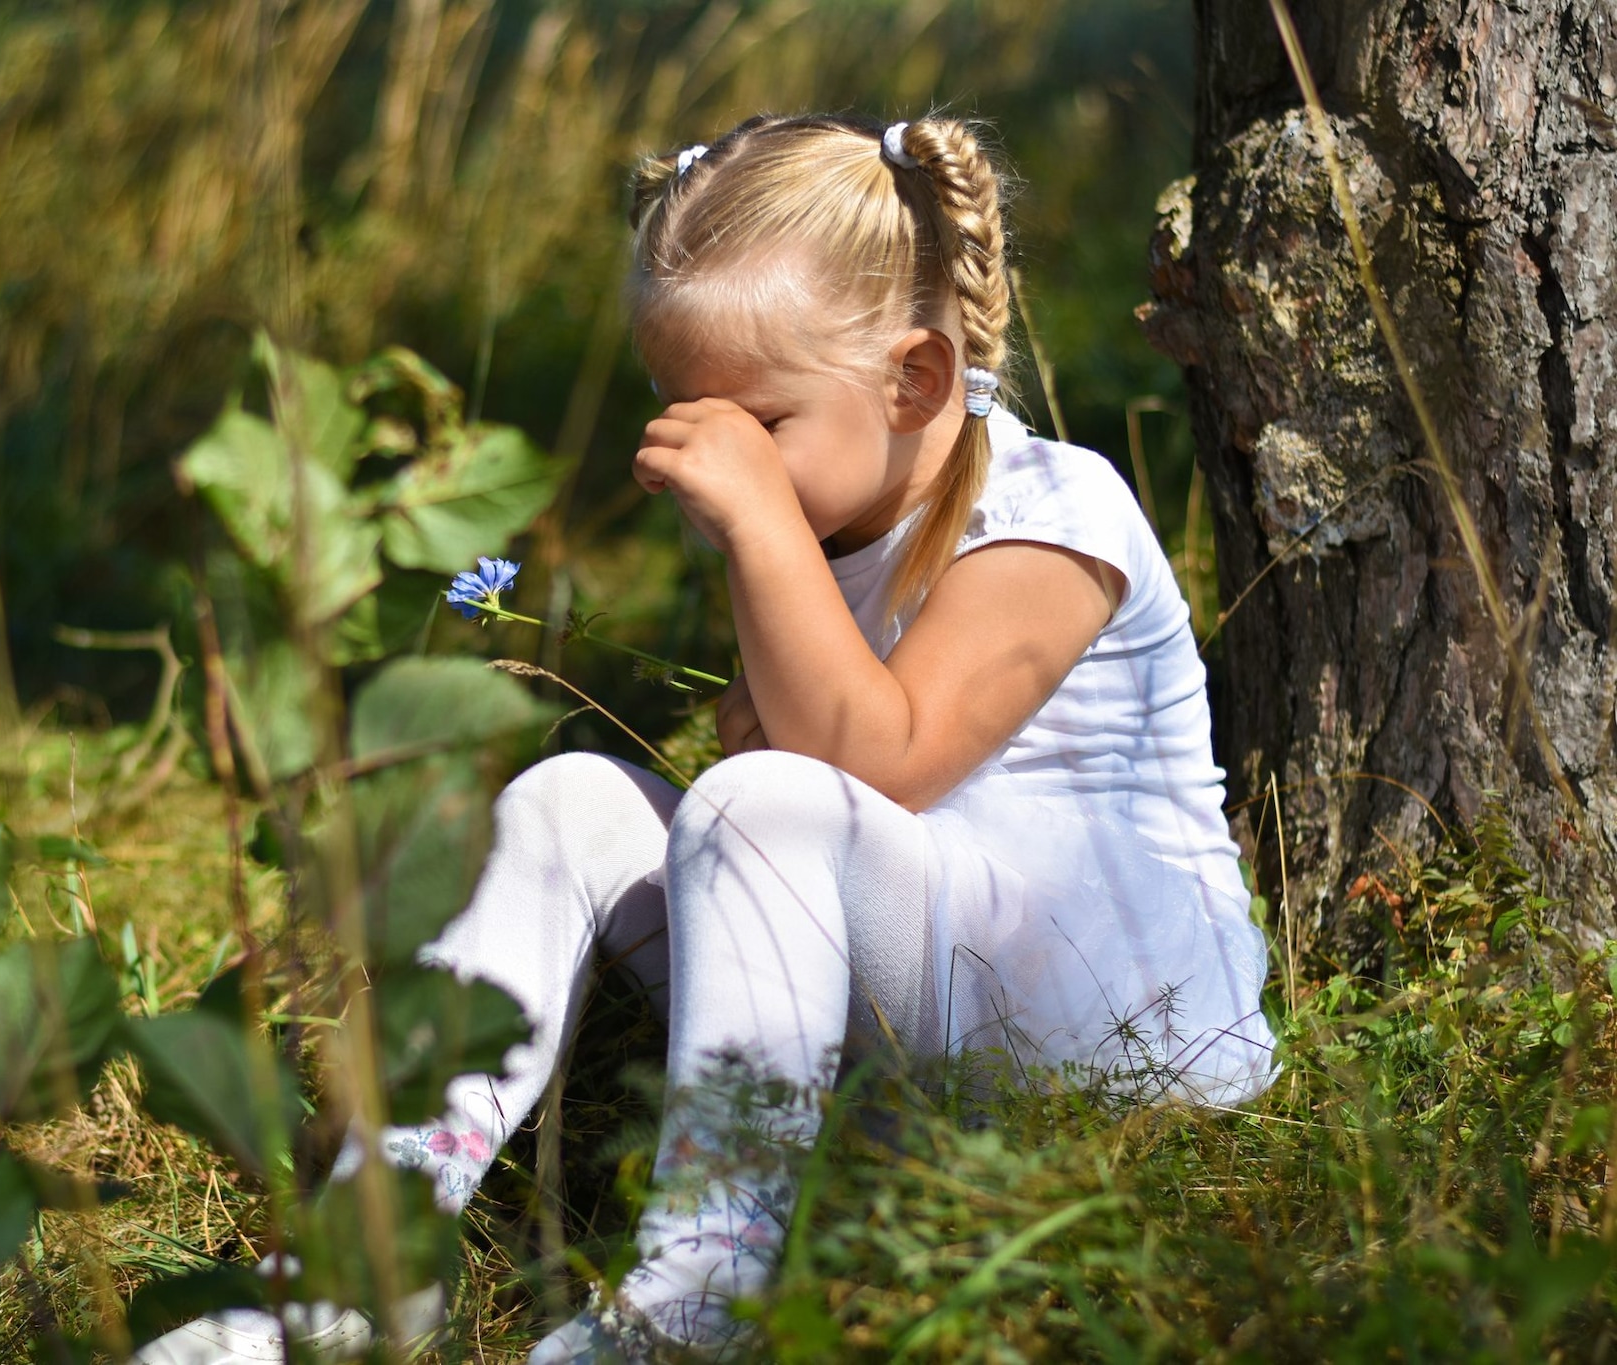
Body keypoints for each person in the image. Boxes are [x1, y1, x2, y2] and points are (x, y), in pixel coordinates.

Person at [138, 110, 1276, 1365]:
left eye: (755, 424)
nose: (709, 459)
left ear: (913, 382)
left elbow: (877, 763)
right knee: (570, 795)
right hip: (908, 1036)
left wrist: (759, 551)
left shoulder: (1056, 512)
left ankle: (695, 1301)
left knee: (759, 804)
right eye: (686, 413)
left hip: (1117, 1029)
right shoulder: (818, 513)